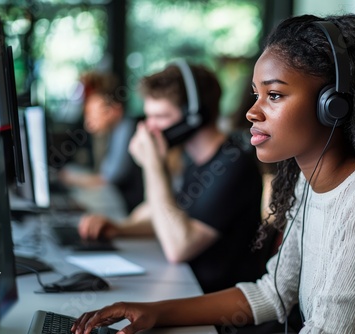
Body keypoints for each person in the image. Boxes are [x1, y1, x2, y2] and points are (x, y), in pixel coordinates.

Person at [72, 14, 355, 334]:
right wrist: (155, 312)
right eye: (256, 94)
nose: (252, 112)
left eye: (274, 95)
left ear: (333, 105)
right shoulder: (309, 183)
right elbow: (272, 293)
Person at [76, 62, 266, 294]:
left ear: (194, 116)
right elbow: (170, 218)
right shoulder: (191, 157)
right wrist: (119, 229)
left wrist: (152, 164)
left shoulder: (233, 164)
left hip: (216, 305)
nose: (149, 128)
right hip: (187, 287)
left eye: (161, 116)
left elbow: (178, 247)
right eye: (148, 117)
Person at [58, 71, 144, 213]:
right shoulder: (114, 132)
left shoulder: (128, 131)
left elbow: (106, 178)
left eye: (93, 114)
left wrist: (74, 179)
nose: (88, 124)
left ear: (115, 110)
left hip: (129, 208)